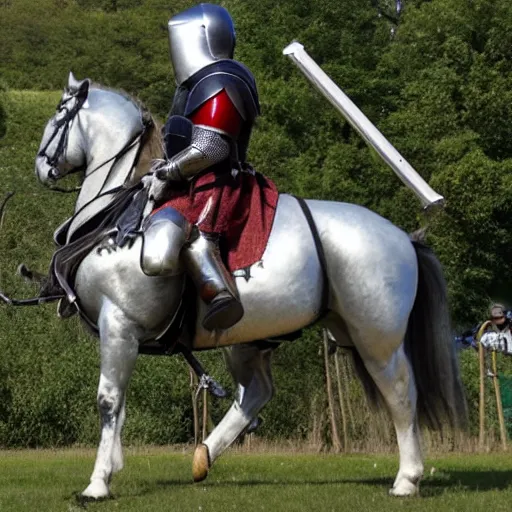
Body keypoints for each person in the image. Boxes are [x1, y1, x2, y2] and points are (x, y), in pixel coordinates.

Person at [144, 3, 276, 332]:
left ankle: (218, 293)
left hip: (215, 182)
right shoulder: (195, 85)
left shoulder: (220, 79)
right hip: (194, 180)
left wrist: (168, 171)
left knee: (192, 232)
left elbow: (210, 147)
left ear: (203, 37)